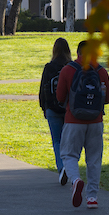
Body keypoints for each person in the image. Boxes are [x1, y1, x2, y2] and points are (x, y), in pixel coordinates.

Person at [55, 40, 109, 209]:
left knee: (68, 154)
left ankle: (75, 180)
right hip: (96, 121)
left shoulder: (68, 70)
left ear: (78, 53)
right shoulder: (101, 71)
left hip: (73, 120)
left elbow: (59, 97)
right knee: (94, 159)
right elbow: (107, 99)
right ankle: (92, 197)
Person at [39, 37, 73, 185]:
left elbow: (42, 89)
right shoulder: (71, 67)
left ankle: (61, 168)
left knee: (57, 141)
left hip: (52, 108)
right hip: (68, 109)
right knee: (69, 141)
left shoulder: (49, 67)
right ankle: (70, 167)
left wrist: (44, 107)